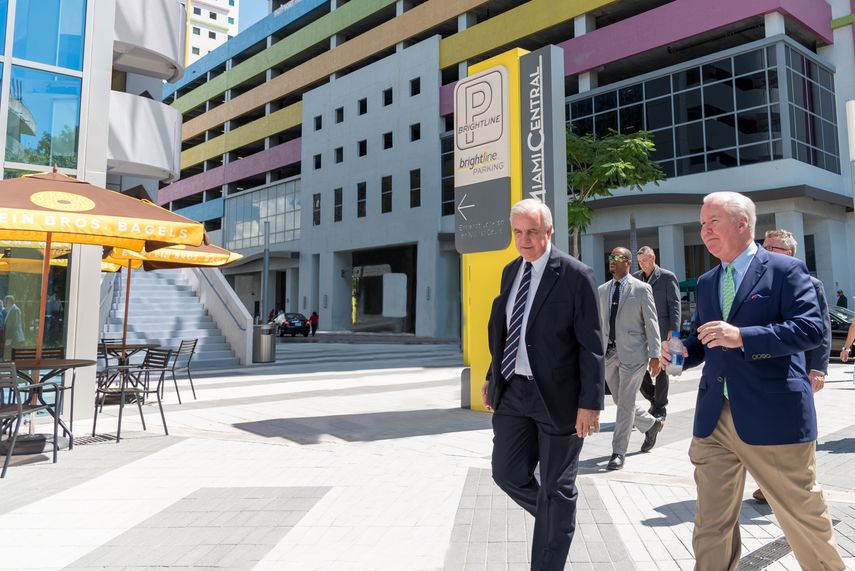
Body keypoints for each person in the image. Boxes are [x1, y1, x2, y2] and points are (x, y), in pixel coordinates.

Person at [661, 192, 844, 570]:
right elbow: (703, 339)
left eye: (713, 222)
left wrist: (743, 337)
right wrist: (679, 353)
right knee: (710, 523)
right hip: (715, 417)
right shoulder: (708, 282)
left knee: (802, 515)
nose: (705, 231)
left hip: (774, 415)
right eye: (702, 224)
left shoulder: (786, 270)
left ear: (742, 223)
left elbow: (811, 329)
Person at [481, 198, 604, 570]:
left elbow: (591, 345)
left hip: (559, 398)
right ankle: (558, 519)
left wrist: (590, 403)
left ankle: (552, 537)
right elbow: (507, 332)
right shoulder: (510, 271)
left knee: (556, 487)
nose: (524, 240)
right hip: (513, 391)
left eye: (532, 232)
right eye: (517, 232)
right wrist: (491, 376)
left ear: (549, 231)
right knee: (506, 473)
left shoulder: (576, 275)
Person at [750, 229, 832, 504]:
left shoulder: (811, 284)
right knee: (765, 426)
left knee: (798, 430)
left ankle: (803, 484)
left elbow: (822, 329)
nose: (764, 251)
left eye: (771, 248)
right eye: (763, 246)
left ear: (788, 253)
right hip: (765, 369)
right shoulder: (757, 284)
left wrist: (818, 369)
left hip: (799, 371)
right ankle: (768, 484)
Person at [598, 247, 663, 471]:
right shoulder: (602, 290)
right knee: (620, 400)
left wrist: (655, 354)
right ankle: (651, 424)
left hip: (634, 354)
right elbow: (599, 324)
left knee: (625, 403)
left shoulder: (642, 289)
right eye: (610, 257)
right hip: (609, 354)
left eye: (616, 257)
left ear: (627, 261)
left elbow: (651, 322)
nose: (612, 261)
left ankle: (618, 452)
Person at [633, 246, 681, 419]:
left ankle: (660, 407)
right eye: (639, 262)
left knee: (662, 368)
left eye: (644, 261)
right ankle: (654, 399)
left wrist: (674, 329)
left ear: (653, 258)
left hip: (662, 329)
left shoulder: (667, 277)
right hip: (641, 330)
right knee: (637, 367)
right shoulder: (635, 278)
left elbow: (675, 304)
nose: (642, 265)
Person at [3, 295, 24, 360]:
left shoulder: (15, 310)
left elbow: (15, 325)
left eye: (5, 302)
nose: (4, 303)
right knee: (12, 356)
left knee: (15, 356)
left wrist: (9, 338)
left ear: (9, 302)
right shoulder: (11, 309)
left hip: (14, 337)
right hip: (12, 337)